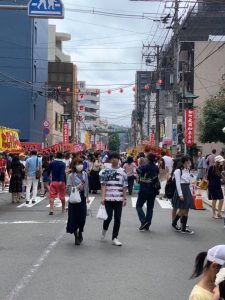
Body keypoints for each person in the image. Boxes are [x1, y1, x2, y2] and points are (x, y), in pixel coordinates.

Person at [99, 152, 128, 246]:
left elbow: (124, 186)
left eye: (116, 158)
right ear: (110, 159)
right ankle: (104, 230)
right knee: (108, 217)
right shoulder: (106, 170)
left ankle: (115, 238)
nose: (115, 159)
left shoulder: (123, 171)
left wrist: (125, 198)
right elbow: (103, 185)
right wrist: (103, 197)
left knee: (118, 219)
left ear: (119, 159)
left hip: (119, 199)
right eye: (113, 158)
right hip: (108, 198)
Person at [66, 158, 89, 246]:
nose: (80, 165)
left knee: (82, 218)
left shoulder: (85, 174)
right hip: (74, 199)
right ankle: (76, 236)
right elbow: (68, 189)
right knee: (74, 218)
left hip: (82, 198)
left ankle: (80, 232)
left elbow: (87, 186)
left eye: (81, 163)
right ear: (74, 165)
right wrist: (78, 187)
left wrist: (87, 197)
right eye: (78, 164)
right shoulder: (71, 176)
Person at [136, 153, 159, 231]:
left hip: (144, 189)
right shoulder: (156, 167)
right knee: (150, 208)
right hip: (153, 190)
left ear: (148, 159)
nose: (145, 159)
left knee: (138, 206)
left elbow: (138, 171)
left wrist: (139, 164)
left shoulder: (144, 167)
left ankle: (143, 221)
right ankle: (147, 223)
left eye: (146, 158)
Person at [172, 156, 195, 234]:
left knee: (187, 209)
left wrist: (191, 191)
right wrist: (180, 194)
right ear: (185, 162)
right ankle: (174, 222)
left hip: (187, 190)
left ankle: (183, 228)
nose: (190, 163)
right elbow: (178, 183)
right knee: (183, 209)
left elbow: (189, 182)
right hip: (182, 190)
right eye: (188, 161)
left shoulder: (188, 170)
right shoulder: (178, 171)